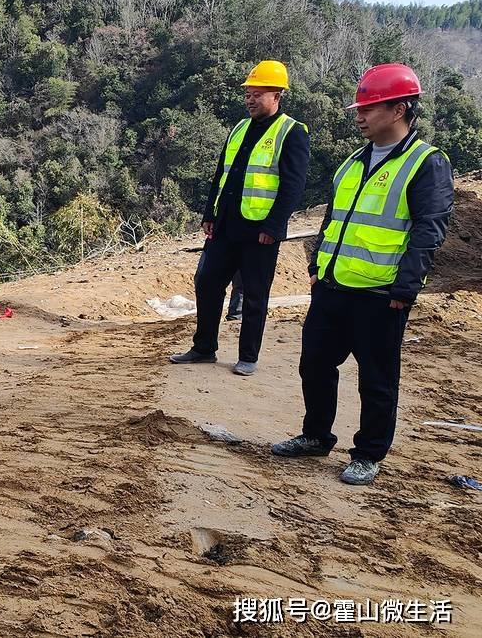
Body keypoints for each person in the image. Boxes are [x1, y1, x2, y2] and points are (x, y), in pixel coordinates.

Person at [271, 64, 453, 485]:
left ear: (400, 109)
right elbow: (333, 219)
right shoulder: (353, 162)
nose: (360, 115)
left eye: (370, 107)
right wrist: (317, 267)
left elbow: (429, 231)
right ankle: (316, 436)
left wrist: (405, 288)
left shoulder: (426, 163)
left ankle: (368, 453)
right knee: (314, 364)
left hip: (381, 293)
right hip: (333, 286)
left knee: (377, 379)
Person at [170, 60, 310, 375]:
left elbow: (293, 185)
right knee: (206, 282)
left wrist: (274, 226)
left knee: (255, 294)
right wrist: (210, 213)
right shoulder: (239, 128)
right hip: (225, 225)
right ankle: (204, 348)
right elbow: (222, 173)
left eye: (257, 94)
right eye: (248, 93)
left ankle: (248, 356)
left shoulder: (292, 132)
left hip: (260, 230)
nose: (250, 99)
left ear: (277, 95)